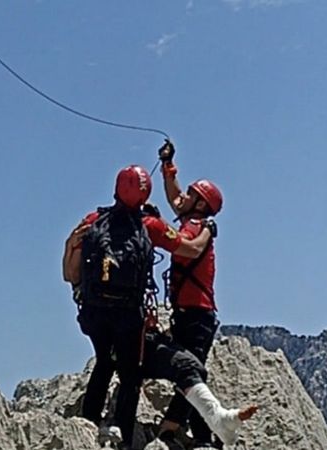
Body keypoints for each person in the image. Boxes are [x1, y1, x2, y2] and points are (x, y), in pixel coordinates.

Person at [62, 165, 216, 449]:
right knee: (130, 372)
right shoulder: (151, 226)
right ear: (146, 195)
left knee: (104, 362)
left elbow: (69, 274)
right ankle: (123, 436)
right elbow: (189, 248)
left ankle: (87, 425)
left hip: (93, 314)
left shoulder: (93, 220)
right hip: (129, 316)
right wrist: (206, 230)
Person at [156, 142, 227, 449]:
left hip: (196, 315)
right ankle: (204, 437)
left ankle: (171, 428)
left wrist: (154, 229)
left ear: (200, 205)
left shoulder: (196, 227)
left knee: (191, 373)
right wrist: (168, 166)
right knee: (192, 372)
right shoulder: (193, 221)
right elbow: (174, 197)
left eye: (191, 195)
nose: (183, 197)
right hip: (191, 314)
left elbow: (189, 247)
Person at [141, 331, 258, 448]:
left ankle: (206, 428)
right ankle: (208, 427)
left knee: (195, 369)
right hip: (133, 339)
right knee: (190, 368)